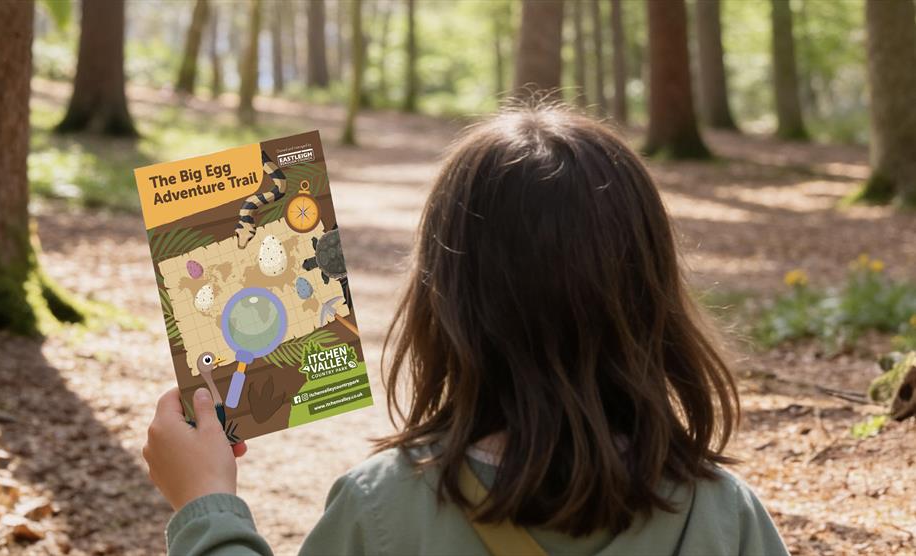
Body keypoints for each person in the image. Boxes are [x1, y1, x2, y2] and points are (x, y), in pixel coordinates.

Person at [143, 105, 789, 556]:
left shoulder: (383, 508)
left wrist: (206, 503)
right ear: (654, 301)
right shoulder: (725, 518)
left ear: (443, 307)